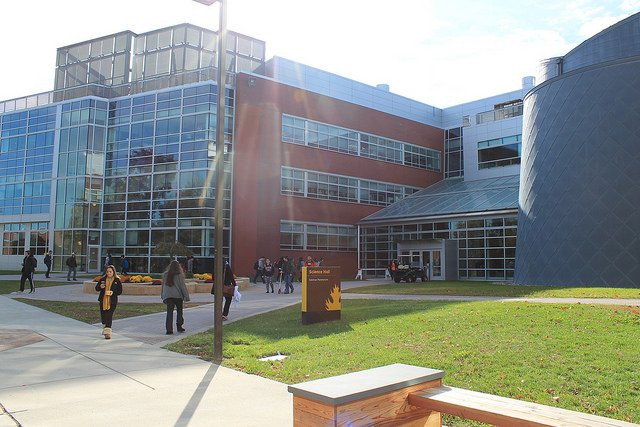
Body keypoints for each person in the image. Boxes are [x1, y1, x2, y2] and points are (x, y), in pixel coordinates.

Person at [161, 260, 190, 335]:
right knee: (179, 311)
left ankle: (169, 329)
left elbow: (163, 286)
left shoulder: (165, 274)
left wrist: (162, 295)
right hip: (178, 296)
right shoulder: (179, 275)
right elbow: (182, 286)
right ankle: (179, 326)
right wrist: (186, 296)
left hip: (168, 296)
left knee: (169, 313)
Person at [95, 265, 123, 340]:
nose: (109, 273)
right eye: (107, 272)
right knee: (104, 317)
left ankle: (107, 332)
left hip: (112, 301)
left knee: (109, 315)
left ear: (113, 272)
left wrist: (112, 292)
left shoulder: (117, 280)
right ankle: (105, 327)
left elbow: (120, 291)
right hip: (103, 300)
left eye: (110, 272)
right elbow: (96, 288)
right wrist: (100, 287)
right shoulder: (103, 279)